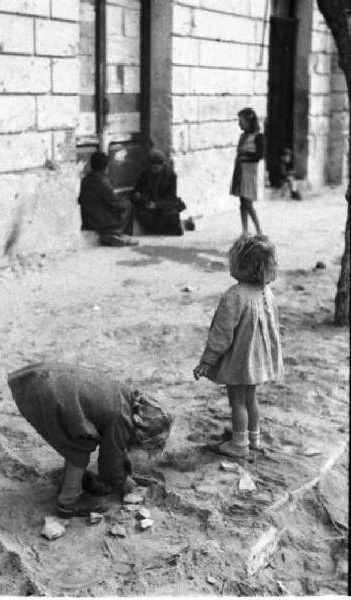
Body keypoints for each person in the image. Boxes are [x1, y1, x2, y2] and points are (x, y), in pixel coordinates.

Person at [7, 362, 172, 517]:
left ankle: (73, 479)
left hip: (41, 377)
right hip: (49, 395)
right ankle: (68, 502)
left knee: (79, 433)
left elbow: (117, 446)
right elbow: (110, 460)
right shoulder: (120, 419)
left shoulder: (125, 396)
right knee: (78, 447)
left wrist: (124, 466)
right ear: (141, 432)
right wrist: (121, 481)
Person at [193, 235, 284, 458]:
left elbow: (221, 335)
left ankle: (239, 444)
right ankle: (254, 438)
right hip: (257, 359)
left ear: (242, 265)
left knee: (237, 402)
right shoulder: (266, 292)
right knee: (251, 399)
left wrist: (206, 362)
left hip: (240, 360)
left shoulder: (234, 296)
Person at [78, 151, 138, 246]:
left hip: (87, 219)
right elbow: (114, 202)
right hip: (99, 220)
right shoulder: (102, 182)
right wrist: (124, 201)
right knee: (128, 205)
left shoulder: (86, 179)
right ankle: (119, 234)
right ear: (105, 167)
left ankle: (112, 234)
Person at [131, 149, 186, 236]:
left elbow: (171, 198)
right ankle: (169, 229)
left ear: (162, 165)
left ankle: (174, 227)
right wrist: (138, 196)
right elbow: (136, 192)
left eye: (156, 167)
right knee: (142, 216)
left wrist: (157, 205)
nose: (154, 169)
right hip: (147, 207)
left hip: (163, 206)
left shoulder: (171, 176)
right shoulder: (145, 175)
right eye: (152, 167)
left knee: (172, 215)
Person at [230, 108, 264, 235]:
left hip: (249, 172)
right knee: (242, 202)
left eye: (241, 121)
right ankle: (245, 230)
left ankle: (259, 230)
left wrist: (245, 154)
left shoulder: (258, 137)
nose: (239, 124)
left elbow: (259, 155)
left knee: (247, 202)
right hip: (240, 170)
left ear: (249, 122)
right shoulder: (243, 137)